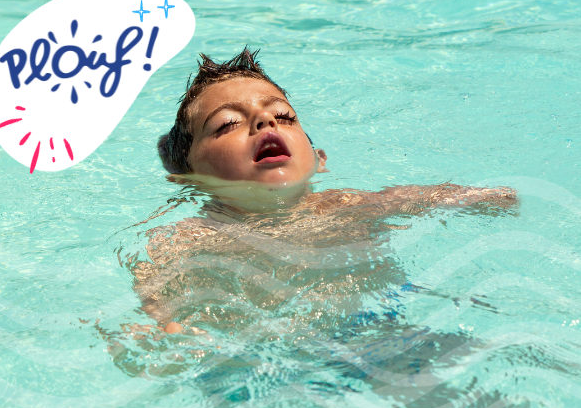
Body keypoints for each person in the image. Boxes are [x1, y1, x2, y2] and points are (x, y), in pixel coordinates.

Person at [130, 47, 517, 335]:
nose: (266, 120)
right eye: (227, 123)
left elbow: (433, 197)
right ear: (187, 177)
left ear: (319, 159)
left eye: (283, 116)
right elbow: (155, 293)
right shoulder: (190, 238)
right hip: (257, 354)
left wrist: (484, 197)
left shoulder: (347, 205)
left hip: (382, 330)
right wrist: (165, 327)